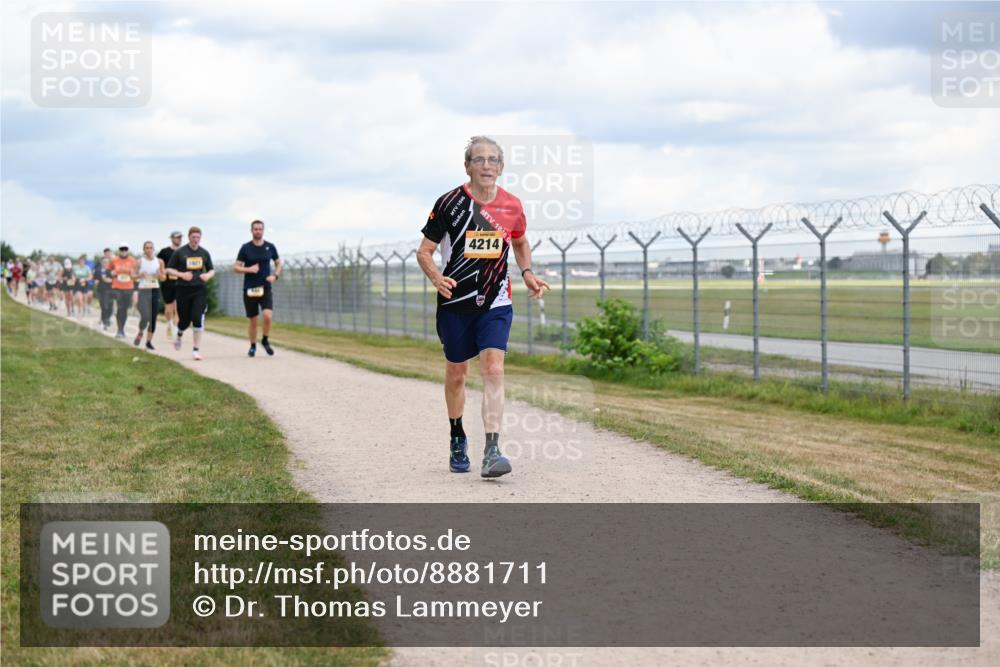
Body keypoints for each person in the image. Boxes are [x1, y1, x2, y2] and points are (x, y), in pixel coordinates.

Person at [416, 136, 549, 478]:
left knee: (493, 370)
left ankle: (492, 450)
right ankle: (457, 436)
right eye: (479, 159)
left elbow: (520, 242)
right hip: (455, 303)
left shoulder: (512, 205)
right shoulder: (449, 203)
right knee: (457, 374)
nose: (486, 165)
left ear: (501, 167)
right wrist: (436, 278)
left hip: (495, 301)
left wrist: (528, 273)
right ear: (467, 166)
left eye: (492, 160)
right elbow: (424, 251)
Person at [234, 220, 282, 357]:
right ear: (251, 231)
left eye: (260, 229)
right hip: (250, 288)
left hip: (265, 287)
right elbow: (236, 267)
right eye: (255, 229)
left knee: (267, 316)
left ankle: (265, 340)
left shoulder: (270, 247)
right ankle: (253, 346)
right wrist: (249, 269)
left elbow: (278, 263)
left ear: (263, 230)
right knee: (253, 320)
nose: (258, 231)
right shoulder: (245, 248)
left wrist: (275, 276)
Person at [166, 227, 214, 361]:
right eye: (193, 237)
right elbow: (169, 269)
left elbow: (211, 270)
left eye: (198, 237)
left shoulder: (204, 253)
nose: (196, 240)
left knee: (197, 318)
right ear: (189, 237)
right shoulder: (180, 252)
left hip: (199, 289)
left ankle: (196, 350)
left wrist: (207, 275)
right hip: (183, 289)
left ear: (200, 238)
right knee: (184, 322)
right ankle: (179, 334)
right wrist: (182, 274)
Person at [135, 241, 164, 350]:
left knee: (153, 318)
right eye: (147, 248)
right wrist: (139, 275)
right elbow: (132, 276)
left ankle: (148, 342)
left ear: (153, 249)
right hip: (143, 291)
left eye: (151, 247)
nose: (149, 250)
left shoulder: (159, 261)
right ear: (144, 249)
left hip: (155, 290)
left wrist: (159, 275)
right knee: (145, 316)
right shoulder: (139, 261)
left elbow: (164, 278)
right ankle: (140, 331)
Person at [109, 244, 138, 338]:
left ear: (128, 250)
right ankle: (120, 330)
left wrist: (134, 274)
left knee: (125, 309)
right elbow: (108, 271)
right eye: (122, 249)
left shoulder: (133, 261)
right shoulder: (114, 260)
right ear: (119, 250)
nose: (124, 251)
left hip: (128, 287)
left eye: (125, 249)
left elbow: (136, 274)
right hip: (117, 286)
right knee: (120, 307)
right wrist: (111, 273)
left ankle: (122, 328)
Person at [157, 231, 182, 340]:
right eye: (177, 237)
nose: (179, 239)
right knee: (169, 308)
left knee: (179, 307)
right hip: (167, 283)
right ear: (171, 238)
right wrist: (163, 272)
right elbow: (158, 264)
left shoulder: (184, 251)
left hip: (180, 282)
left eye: (180, 237)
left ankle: (176, 328)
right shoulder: (164, 252)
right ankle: (170, 324)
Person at [94, 253, 115, 330]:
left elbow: (115, 280)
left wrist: (111, 280)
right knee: (104, 306)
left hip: (110, 291)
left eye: (107, 262)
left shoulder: (111, 271)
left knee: (110, 307)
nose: (105, 263)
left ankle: (107, 319)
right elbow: (95, 280)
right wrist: (98, 281)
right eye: (104, 262)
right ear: (101, 263)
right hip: (101, 291)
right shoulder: (98, 270)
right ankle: (105, 322)